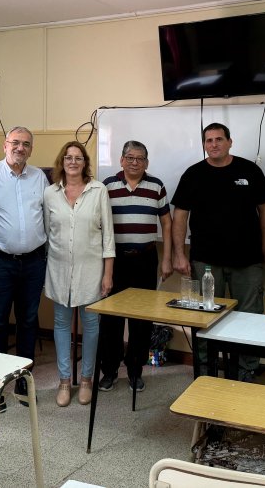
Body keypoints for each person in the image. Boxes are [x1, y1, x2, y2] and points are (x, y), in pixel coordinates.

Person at [171, 122, 265, 381]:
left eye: (219, 139)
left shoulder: (249, 170)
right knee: (205, 316)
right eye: (208, 140)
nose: (213, 144)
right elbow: (180, 215)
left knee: (250, 317)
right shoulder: (193, 174)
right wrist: (180, 254)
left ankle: (246, 370)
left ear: (230, 142)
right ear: (204, 144)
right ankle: (205, 370)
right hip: (206, 261)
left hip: (248, 260)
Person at [0, 126, 48, 410]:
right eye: (15, 143)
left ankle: (23, 381)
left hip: (33, 261)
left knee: (28, 321)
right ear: (6, 145)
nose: (20, 148)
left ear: (31, 149)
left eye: (26, 144)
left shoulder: (39, 177)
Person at [44, 141, 115, 407]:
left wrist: (108, 274)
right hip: (59, 271)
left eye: (78, 158)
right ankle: (64, 381)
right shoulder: (50, 193)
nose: (73, 162)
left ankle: (86, 379)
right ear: (62, 162)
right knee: (62, 326)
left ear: (85, 163)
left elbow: (108, 235)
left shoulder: (99, 191)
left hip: (92, 271)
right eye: (68, 157)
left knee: (92, 326)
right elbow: (46, 233)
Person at [98, 140, 173, 394]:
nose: (134, 162)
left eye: (140, 158)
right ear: (121, 160)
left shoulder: (156, 185)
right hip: (114, 260)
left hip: (145, 259)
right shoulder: (107, 185)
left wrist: (167, 258)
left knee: (141, 320)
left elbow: (167, 222)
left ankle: (134, 371)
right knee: (110, 319)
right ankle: (109, 371)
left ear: (147, 163)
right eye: (129, 157)